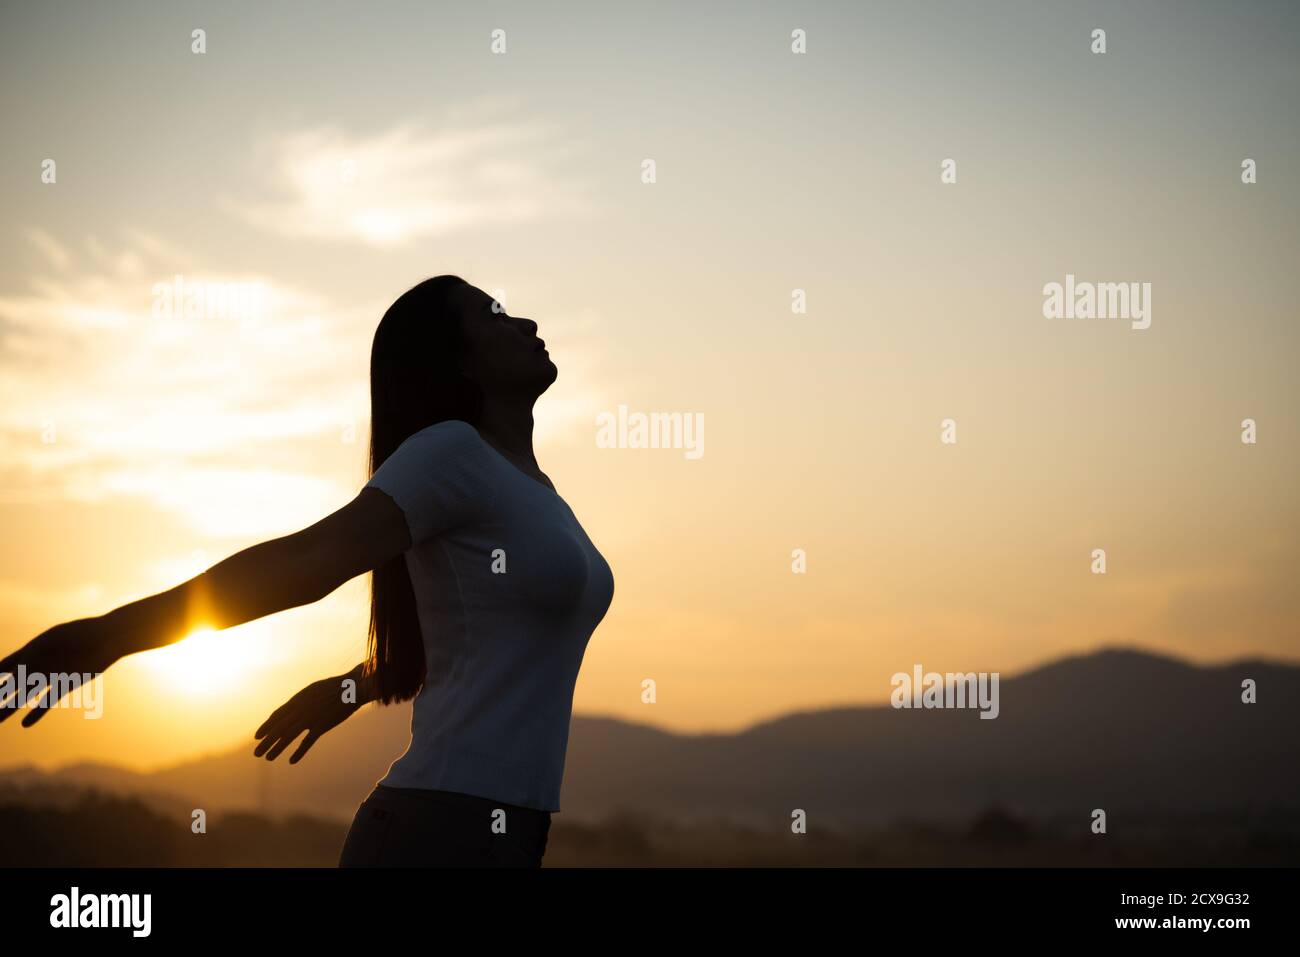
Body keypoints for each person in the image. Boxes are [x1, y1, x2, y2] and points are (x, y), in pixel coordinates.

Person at [0, 275, 615, 867]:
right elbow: (304, 564)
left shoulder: (536, 490)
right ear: (457, 362)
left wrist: (359, 683)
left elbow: (478, 638)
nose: (526, 322)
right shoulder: (452, 452)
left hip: (506, 835)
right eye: (495, 315)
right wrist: (103, 638)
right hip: (439, 831)